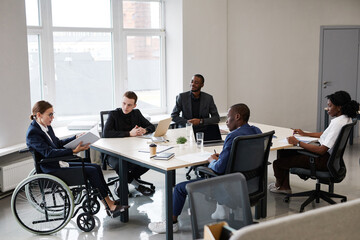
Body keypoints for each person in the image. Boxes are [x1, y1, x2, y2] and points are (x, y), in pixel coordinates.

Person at [148, 103, 262, 233]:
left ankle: (171, 224)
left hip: (230, 186)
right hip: (251, 184)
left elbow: (219, 169)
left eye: (228, 118)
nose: (226, 123)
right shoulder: (256, 131)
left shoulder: (233, 136)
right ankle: (221, 209)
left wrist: (211, 160)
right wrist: (227, 157)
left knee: (179, 188)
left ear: (237, 117)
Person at [26, 100, 129, 218]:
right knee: (91, 171)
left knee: (95, 167)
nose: (52, 117)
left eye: (53, 114)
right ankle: (109, 205)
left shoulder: (45, 127)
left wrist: (75, 138)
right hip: (51, 169)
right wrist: (73, 151)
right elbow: (48, 153)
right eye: (50, 114)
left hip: (58, 163)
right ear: (39, 115)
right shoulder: (33, 132)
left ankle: (108, 202)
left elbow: (58, 143)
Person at [269, 90, 359, 194]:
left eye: (330, 106)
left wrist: (298, 143)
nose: (327, 109)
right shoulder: (345, 119)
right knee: (285, 152)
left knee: (277, 163)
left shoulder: (338, 123)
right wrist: (305, 134)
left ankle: (281, 187)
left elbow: (321, 150)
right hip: (330, 160)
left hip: (322, 160)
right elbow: (325, 134)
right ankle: (284, 186)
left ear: (339, 107)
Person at [103, 91, 155, 196]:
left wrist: (144, 130)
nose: (125, 107)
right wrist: (129, 134)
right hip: (114, 153)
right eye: (124, 103)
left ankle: (121, 180)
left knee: (149, 161)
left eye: (129, 105)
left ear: (134, 105)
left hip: (133, 151)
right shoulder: (113, 114)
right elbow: (106, 133)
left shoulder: (136, 113)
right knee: (120, 164)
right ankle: (137, 185)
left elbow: (151, 126)